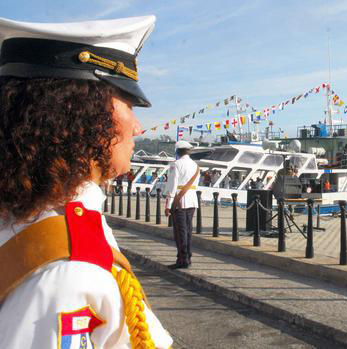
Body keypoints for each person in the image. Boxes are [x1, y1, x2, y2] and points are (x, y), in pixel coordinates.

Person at [0, 16, 173, 348]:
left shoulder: (27, 214)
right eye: (129, 103)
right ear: (80, 112)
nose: (138, 127)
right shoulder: (68, 269)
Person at [164, 140, 200, 269]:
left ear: (177, 151)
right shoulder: (196, 165)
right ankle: (188, 257)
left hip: (179, 200)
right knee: (188, 230)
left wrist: (168, 204)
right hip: (192, 200)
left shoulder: (176, 164)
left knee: (180, 232)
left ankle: (182, 259)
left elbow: (172, 186)